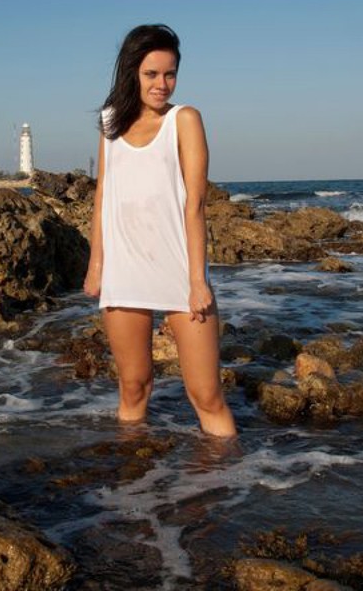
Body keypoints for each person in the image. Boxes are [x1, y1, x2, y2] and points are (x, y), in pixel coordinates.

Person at [83, 24, 236, 438]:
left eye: (170, 74)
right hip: (125, 269)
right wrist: (96, 265)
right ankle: (135, 469)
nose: (162, 84)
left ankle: (229, 472)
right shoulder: (110, 122)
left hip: (179, 271)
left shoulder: (184, 120)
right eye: (152, 74)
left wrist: (197, 281)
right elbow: (103, 196)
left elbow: (195, 205)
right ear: (132, 72)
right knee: (133, 386)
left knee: (206, 395)